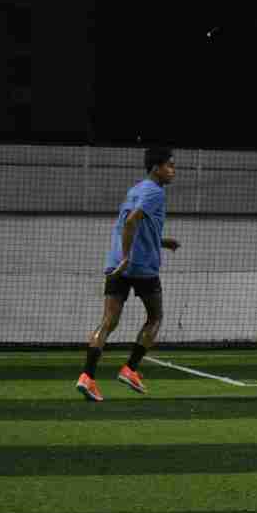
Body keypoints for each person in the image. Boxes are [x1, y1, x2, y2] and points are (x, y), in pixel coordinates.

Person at [76, 146, 180, 401]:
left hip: (115, 265)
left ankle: (87, 377)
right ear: (156, 168)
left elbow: (133, 227)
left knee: (108, 321)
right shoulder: (156, 192)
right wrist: (127, 257)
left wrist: (161, 242)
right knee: (155, 317)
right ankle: (130, 369)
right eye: (170, 165)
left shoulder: (135, 189)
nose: (173, 170)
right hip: (140, 266)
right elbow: (132, 221)